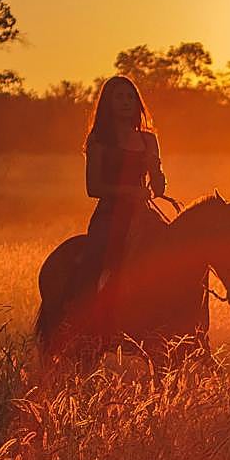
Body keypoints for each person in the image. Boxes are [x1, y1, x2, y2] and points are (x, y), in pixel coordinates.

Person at [83, 75, 168, 328]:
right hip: (110, 214)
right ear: (107, 103)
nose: (125, 102)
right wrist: (130, 192)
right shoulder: (98, 140)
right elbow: (93, 188)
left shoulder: (148, 139)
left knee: (172, 249)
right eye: (118, 97)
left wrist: (157, 171)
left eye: (130, 97)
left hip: (142, 214)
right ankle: (93, 317)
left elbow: (159, 189)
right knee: (99, 259)